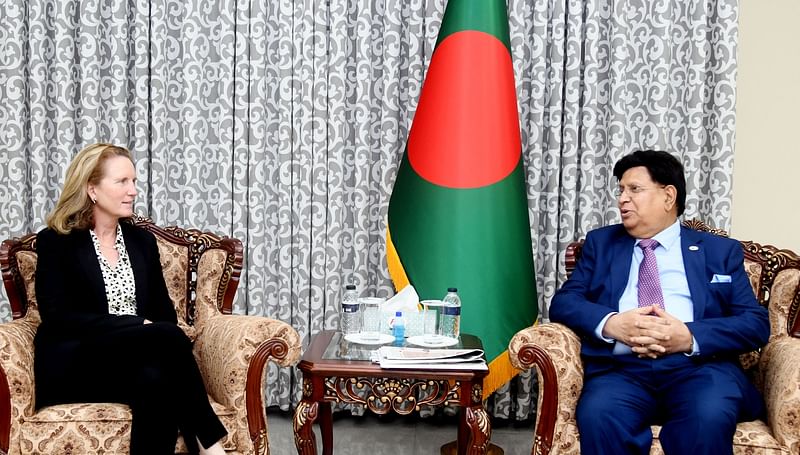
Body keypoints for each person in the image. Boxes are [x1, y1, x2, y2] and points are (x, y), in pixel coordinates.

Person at [549, 150, 769, 455]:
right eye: (621, 190)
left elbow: (755, 324)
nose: (622, 199)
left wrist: (689, 337)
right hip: (622, 372)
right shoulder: (601, 244)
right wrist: (612, 323)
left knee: (708, 416)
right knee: (600, 415)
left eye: (634, 189)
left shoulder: (719, 252)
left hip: (701, 370)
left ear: (668, 196)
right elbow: (564, 302)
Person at [34, 143, 227, 454]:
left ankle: (208, 445)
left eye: (134, 181)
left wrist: (145, 332)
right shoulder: (56, 242)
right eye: (122, 182)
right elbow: (59, 317)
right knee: (165, 336)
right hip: (77, 362)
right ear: (92, 189)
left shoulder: (141, 241)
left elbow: (164, 312)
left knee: (157, 380)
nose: (133, 190)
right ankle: (211, 444)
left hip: (134, 360)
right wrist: (137, 325)